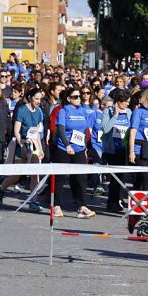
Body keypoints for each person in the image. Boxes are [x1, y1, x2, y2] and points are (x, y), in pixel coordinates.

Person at [52, 87, 95, 218]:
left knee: (80, 178)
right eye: (75, 97)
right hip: (64, 148)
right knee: (60, 177)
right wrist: (67, 144)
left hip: (80, 148)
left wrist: (86, 147)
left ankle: (81, 206)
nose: (79, 98)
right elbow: (60, 128)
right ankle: (56, 206)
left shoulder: (82, 111)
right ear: (68, 99)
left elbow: (84, 131)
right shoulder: (63, 110)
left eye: (79, 96)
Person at [102, 88, 132, 212]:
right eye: (125, 102)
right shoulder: (108, 111)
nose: (127, 104)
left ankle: (117, 200)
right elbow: (105, 129)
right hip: (112, 149)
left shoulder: (129, 112)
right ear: (118, 102)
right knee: (115, 178)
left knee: (122, 177)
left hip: (124, 148)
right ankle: (112, 202)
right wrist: (115, 115)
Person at [127, 88, 148, 194]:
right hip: (139, 149)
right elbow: (133, 132)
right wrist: (131, 151)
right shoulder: (138, 112)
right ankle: (145, 206)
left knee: (141, 179)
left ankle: (138, 206)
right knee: (147, 178)